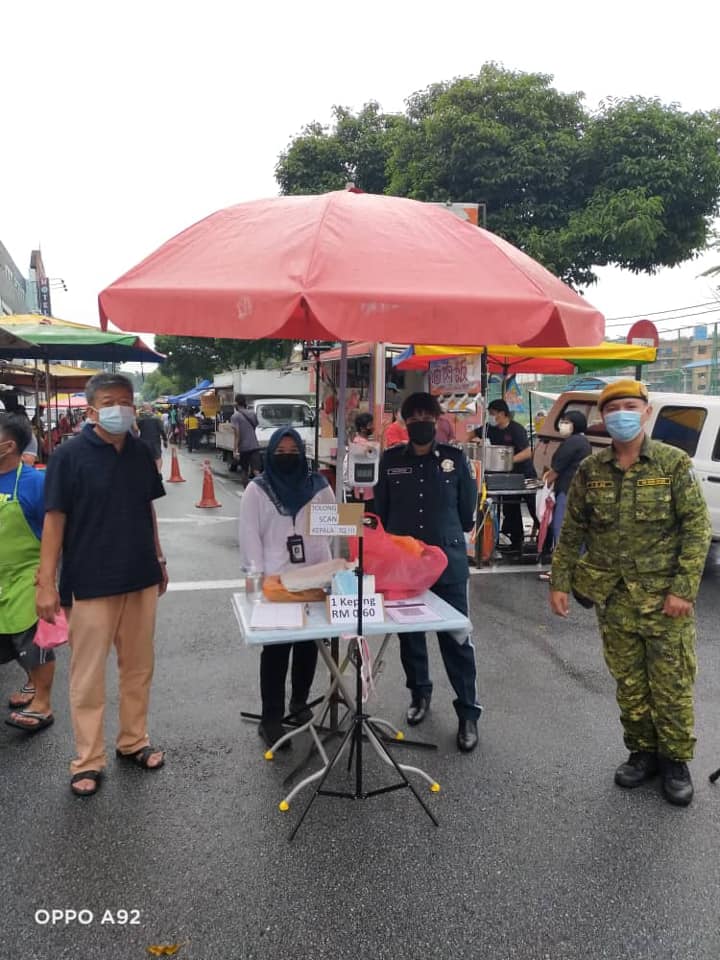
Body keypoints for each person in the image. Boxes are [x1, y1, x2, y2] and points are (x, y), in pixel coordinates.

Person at [549, 380, 711, 806]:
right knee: (630, 683)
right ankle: (642, 754)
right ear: (605, 417)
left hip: (665, 601)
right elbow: (572, 532)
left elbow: (697, 529)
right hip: (615, 599)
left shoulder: (673, 464)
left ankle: (674, 760)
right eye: (614, 407)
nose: (623, 412)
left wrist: (683, 589)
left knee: (671, 684)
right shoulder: (591, 470)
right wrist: (561, 582)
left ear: (644, 413)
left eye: (630, 406)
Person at [36, 372, 169, 798]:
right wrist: (46, 583)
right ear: (92, 409)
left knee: (138, 667)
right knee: (87, 676)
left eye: (127, 401)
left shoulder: (140, 452)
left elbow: (147, 508)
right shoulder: (68, 456)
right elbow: (54, 521)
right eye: (112, 401)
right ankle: (87, 760)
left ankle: (133, 741)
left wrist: (159, 556)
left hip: (140, 575)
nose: (122, 409)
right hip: (90, 581)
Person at [374, 392, 482, 752]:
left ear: (437, 420)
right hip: (404, 568)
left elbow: (468, 514)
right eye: (414, 415)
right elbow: (382, 512)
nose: (421, 421)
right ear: (405, 423)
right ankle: (419, 695)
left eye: (427, 415)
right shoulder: (390, 462)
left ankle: (468, 713)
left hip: (448, 565)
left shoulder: (454, 460)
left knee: (457, 640)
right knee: (410, 637)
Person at [238, 427, 336, 748]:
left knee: (309, 646)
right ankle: (270, 719)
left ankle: (299, 704)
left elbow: (330, 531)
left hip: (313, 580)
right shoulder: (257, 490)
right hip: (276, 584)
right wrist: (255, 585)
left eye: (293, 450)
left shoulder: (319, 487)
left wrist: (326, 572)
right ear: (270, 454)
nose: (287, 456)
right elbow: (250, 537)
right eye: (281, 451)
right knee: (277, 651)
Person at [0, 413, 56, 731]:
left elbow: (56, 532)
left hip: (25, 575)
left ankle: (42, 703)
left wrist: (47, 579)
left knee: (32, 644)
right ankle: (31, 683)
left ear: (8, 446)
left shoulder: (35, 483)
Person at [474, 398, 538, 554]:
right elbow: (472, 434)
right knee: (511, 509)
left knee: (534, 509)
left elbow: (528, 452)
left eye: (493, 414)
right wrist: (475, 440)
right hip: (504, 477)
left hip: (523, 474)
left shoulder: (517, 430)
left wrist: (508, 461)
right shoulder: (490, 428)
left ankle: (545, 541)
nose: (490, 417)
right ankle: (516, 542)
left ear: (503, 414)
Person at [538, 411, 591, 580]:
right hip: (579, 492)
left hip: (567, 491)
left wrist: (544, 487)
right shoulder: (584, 442)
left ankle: (561, 571)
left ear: (576, 424)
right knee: (577, 532)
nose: (563, 425)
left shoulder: (573, 442)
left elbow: (556, 469)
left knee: (561, 530)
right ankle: (577, 569)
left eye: (567, 422)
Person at [231, 394, 262, 481]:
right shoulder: (252, 413)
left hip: (244, 448)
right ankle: (263, 490)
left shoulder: (235, 416)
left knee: (244, 471)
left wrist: (235, 450)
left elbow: (237, 434)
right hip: (255, 446)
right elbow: (255, 426)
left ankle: (246, 492)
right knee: (256, 471)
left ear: (236, 403)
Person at [136, 402, 168, 471]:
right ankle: (158, 472)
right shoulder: (156, 417)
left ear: (143, 408)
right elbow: (162, 430)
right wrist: (165, 440)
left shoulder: (139, 419)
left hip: (143, 441)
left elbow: (135, 430)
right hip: (155, 441)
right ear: (151, 408)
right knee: (158, 458)